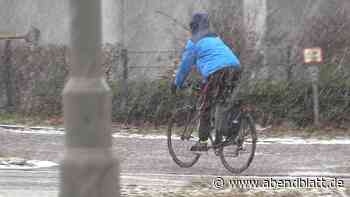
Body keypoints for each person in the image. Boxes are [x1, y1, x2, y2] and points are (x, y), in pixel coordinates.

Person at [171, 12, 241, 151]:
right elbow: (216, 58)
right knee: (223, 101)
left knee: (205, 106)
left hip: (218, 72)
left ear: (193, 27)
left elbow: (185, 66)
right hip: (235, 69)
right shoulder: (215, 38)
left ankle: (202, 142)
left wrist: (176, 83)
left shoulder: (194, 42)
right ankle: (224, 137)